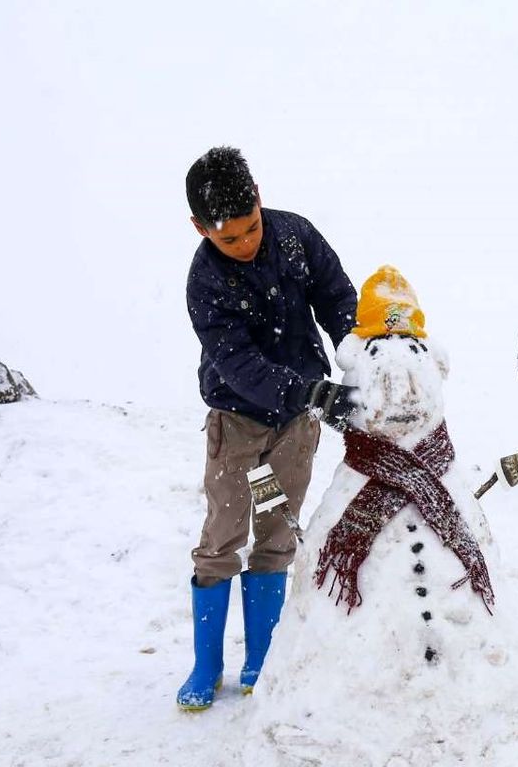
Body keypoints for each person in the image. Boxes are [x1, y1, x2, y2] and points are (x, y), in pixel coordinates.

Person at [178, 146, 357, 710]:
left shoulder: (295, 236)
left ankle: (263, 656)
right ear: (200, 228)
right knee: (223, 534)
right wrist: (306, 391)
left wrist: (357, 351)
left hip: (297, 428)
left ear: (260, 200)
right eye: (229, 238)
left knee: (277, 526)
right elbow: (238, 364)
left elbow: (337, 298)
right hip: (237, 424)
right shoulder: (204, 283)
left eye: (251, 227)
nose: (246, 243)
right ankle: (207, 664)